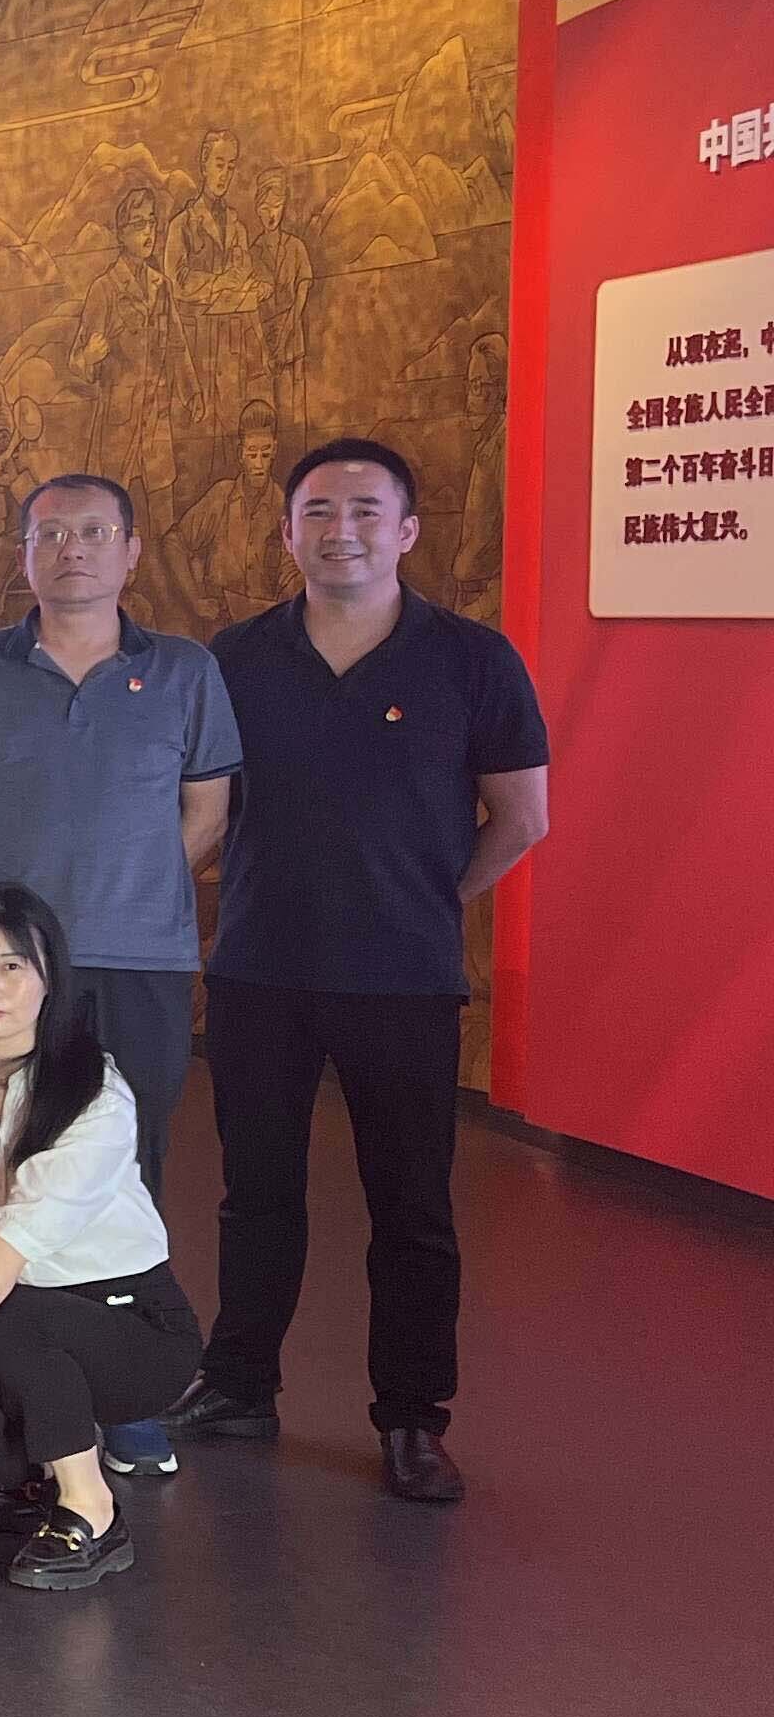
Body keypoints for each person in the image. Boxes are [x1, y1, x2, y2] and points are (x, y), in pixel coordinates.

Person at [178, 439, 551, 1504]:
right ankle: (240, 1383)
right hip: (260, 969)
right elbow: (203, 806)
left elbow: (523, 816)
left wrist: (431, 899)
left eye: (365, 511)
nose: (341, 530)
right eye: (319, 511)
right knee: (256, 1194)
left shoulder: (473, 659)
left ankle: (412, 1417)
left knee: (413, 1207)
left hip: (404, 977)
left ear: (407, 530)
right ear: (287, 531)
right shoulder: (234, 658)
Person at [0, 471, 238, 1478]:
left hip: (136, 960)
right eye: (51, 533)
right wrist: (9, 934)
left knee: (123, 1162)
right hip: (8, 966)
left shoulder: (183, 671)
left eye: (95, 532)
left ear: (131, 551)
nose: (73, 550)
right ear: (24, 552)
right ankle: (16, 1366)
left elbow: (206, 815)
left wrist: (126, 891)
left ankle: (120, 1387)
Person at [0, 884, 202, 1591]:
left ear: (49, 979)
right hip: (11, 1317)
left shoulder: (94, 1091)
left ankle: (92, 1507)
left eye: (11, 966)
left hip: (132, 1325)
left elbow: (17, 1243)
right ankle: (36, 1481)